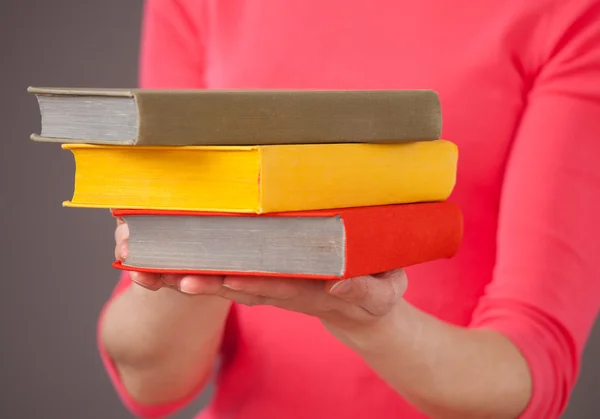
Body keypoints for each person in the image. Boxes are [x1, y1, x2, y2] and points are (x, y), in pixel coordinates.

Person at [99, 1, 600, 418]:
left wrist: (372, 324)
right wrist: (190, 249)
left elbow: (532, 370)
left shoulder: (570, 14)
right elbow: (152, 382)